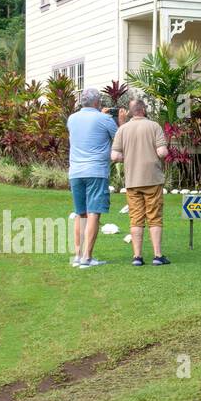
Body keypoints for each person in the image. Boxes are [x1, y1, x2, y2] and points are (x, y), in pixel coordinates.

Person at [111, 98, 171, 266]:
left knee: (136, 218)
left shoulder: (123, 129)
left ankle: (137, 257)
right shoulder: (154, 126)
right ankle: (158, 256)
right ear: (143, 110)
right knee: (154, 217)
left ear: (130, 112)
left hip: (132, 180)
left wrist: (129, 157)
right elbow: (162, 152)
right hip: (152, 179)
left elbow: (115, 156)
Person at [67, 88, 120, 268]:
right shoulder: (104, 119)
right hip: (96, 171)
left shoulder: (72, 119)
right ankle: (87, 258)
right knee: (93, 213)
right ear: (97, 103)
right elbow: (118, 139)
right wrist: (117, 120)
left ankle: (77, 255)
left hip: (75, 172)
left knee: (80, 213)